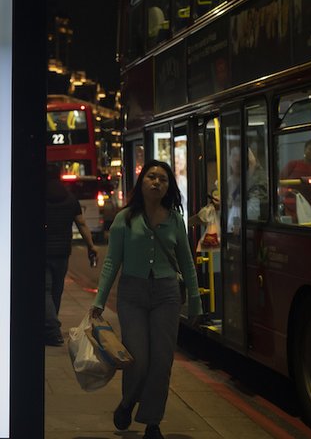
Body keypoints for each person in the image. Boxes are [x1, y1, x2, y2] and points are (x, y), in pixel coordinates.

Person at [90, 160, 202, 439]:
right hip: (133, 295)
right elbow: (112, 262)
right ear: (142, 183)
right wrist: (99, 302)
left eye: (163, 179)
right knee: (137, 358)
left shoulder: (175, 219)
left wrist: (196, 302)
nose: (156, 182)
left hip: (166, 294)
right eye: (151, 177)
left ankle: (153, 422)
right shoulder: (125, 219)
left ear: (169, 186)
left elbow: (187, 263)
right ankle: (128, 403)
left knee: (162, 361)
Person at [44, 172, 97, 346]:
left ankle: (52, 328)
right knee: (56, 291)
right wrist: (91, 245)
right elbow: (81, 223)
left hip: (43, 252)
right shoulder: (70, 199)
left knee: (45, 290)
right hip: (63, 253)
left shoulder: (38, 197)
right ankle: (51, 326)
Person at [279, 139, 311, 221]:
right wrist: (289, 191)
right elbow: (279, 183)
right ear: (305, 150)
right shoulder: (293, 165)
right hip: (291, 205)